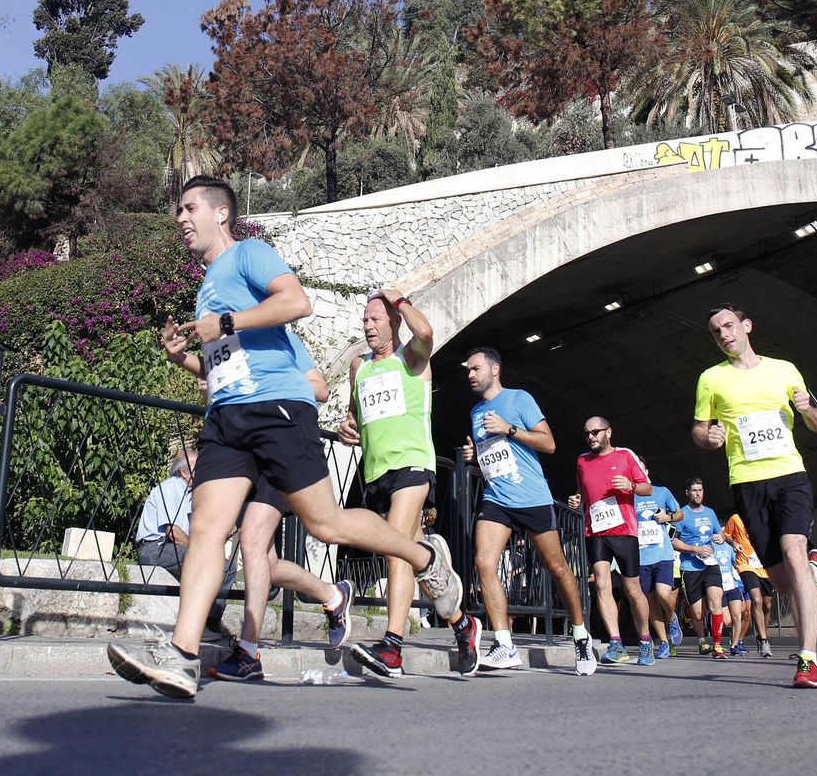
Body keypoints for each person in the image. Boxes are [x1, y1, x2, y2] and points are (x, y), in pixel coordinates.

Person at [105, 176, 465, 700]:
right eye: (178, 211)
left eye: (189, 208)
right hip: (226, 417)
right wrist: (182, 354)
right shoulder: (206, 287)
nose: (181, 219)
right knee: (208, 527)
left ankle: (426, 560)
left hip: (274, 408)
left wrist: (224, 322)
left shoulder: (248, 254)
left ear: (220, 214)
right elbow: (221, 370)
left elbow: (296, 303)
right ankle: (183, 656)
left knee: (327, 523)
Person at [341, 289, 481, 679]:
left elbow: (427, 330)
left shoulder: (412, 358)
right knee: (415, 558)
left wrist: (399, 300)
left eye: (375, 319)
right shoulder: (359, 366)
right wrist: (348, 427)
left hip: (413, 466)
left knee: (395, 547)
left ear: (394, 322)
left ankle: (393, 647)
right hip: (376, 473)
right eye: (365, 320)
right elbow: (355, 414)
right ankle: (462, 625)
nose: (368, 326)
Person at [692, 303, 817, 689]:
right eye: (716, 331)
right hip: (747, 484)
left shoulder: (785, 370)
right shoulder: (710, 380)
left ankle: (808, 660)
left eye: (729, 326)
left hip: (790, 476)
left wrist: (806, 410)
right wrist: (710, 438)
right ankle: (815, 573)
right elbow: (699, 430)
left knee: (792, 549)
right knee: (784, 580)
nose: (724, 334)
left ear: (746, 326)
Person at [208, 336, 354, 681]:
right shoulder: (224, 346)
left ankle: (248, 652)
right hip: (242, 452)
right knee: (265, 563)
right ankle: (332, 594)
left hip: (279, 445)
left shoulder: (279, 338)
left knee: (253, 540)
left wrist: (269, 380)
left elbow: (320, 389)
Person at [461, 347, 597, 676]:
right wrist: (475, 461)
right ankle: (505, 644)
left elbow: (548, 444)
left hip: (532, 496)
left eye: (476, 368)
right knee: (484, 562)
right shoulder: (476, 412)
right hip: (496, 497)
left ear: (495, 369)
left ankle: (581, 635)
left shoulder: (520, 399)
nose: (470, 375)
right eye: (468, 370)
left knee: (558, 567)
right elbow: (496, 460)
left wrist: (509, 429)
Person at [565, 417, 654, 665]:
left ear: (609, 432)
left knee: (632, 589)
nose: (591, 436)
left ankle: (646, 641)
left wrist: (631, 485)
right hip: (595, 531)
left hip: (624, 530)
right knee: (602, 585)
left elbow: (648, 488)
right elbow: (582, 489)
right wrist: (577, 499)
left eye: (596, 432)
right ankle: (616, 643)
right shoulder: (582, 461)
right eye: (587, 433)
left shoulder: (625, 456)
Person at [132, 449, 238, 641]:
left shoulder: (192, 494)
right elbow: (173, 533)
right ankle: (206, 624)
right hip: (156, 547)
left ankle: (211, 621)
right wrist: (202, 548)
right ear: (184, 472)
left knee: (227, 567)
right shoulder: (171, 488)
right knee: (208, 563)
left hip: (173, 548)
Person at [672, 477, 729, 661]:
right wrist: (695, 549)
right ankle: (690, 618)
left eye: (701, 490)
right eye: (694, 490)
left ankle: (718, 645)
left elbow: (718, 533)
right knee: (698, 613)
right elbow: (674, 541)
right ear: (687, 493)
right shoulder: (681, 514)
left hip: (711, 564)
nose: (698, 494)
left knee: (715, 602)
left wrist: (720, 538)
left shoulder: (710, 512)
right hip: (690, 567)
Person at [634, 481, 681, 658]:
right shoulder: (628, 496)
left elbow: (680, 514)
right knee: (651, 602)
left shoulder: (662, 491)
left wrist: (667, 517)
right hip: (640, 557)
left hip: (662, 554)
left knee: (662, 593)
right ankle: (663, 642)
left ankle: (671, 618)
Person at [722, 513, 775, 657]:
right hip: (745, 564)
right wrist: (734, 543)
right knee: (756, 599)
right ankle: (764, 641)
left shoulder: (764, 517)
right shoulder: (735, 519)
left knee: (767, 605)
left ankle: (761, 636)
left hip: (763, 566)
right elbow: (725, 534)